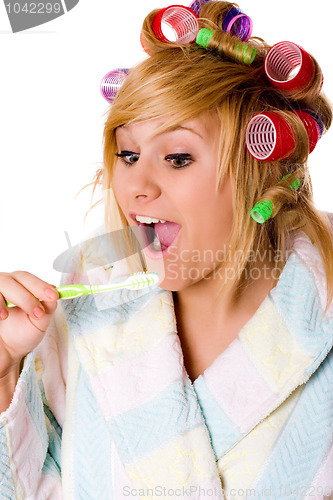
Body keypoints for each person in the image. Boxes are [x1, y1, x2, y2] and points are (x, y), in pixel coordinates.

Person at [0, 1, 333, 498]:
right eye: (128, 154)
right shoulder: (85, 305)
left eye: (177, 158)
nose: (136, 185)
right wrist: (5, 371)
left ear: (258, 171)